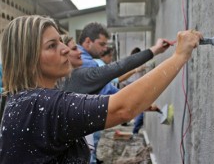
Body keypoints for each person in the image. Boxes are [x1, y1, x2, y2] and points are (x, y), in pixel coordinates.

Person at [0, 15, 202, 163]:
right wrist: (179, 56)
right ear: (27, 58)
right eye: (52, 45)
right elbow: (122, 107)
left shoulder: (21, 101)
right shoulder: (40, 104)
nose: (66, 50)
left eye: (61, 42)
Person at [60, 34, 171, 164]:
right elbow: (118, 68)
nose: (80, 52)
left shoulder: (61, 81)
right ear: (63, 54)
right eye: (74, 49)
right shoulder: (77, 76)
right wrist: (163, 51)